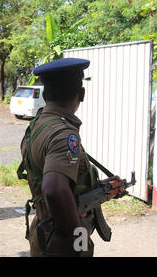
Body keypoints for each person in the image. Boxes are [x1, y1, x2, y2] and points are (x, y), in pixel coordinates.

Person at [18, 58, 125, 257]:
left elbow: (52, 181)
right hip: (63, 242)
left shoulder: (36, 127)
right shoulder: (64, 134)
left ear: (45, 94)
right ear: (81, 94)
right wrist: (79, 235)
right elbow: (54, 188)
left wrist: (101, 188)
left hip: (44, 231)